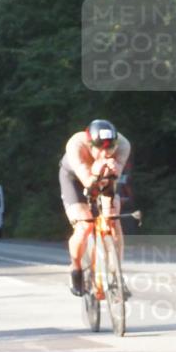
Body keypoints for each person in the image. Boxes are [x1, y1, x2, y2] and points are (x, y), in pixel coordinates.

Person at [60, 119, 131, 296]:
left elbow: (115, 177)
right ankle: (75, 269)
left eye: (110, 148)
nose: (105, 153)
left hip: (106, 178)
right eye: (99, 148)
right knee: (85, 226)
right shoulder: (76, 145)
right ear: (90, 144)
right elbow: (88, 183)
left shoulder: (123, 145)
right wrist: (96, 170)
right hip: (75, 179)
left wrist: (111, 171)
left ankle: (117, 273)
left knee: (113, 219)